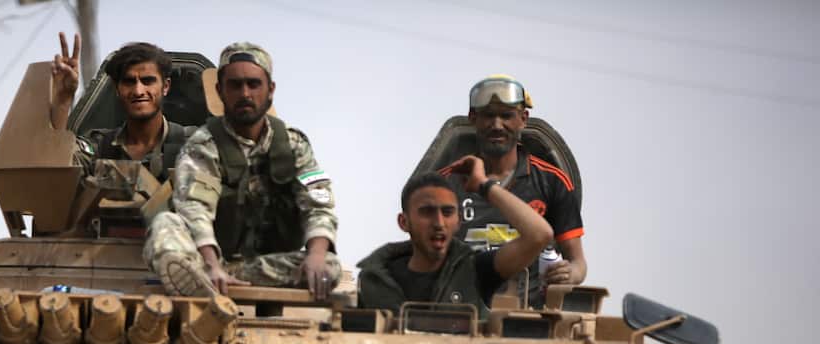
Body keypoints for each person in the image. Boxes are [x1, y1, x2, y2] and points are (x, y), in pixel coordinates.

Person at [144, 42, 339, 299]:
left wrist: (316, 255)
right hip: (208, 259)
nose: (245, 93)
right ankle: (202, 279)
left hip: (262, 266)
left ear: (270, 90)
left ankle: (215, 284)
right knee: (165, 223)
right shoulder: (203, 145)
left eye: (253, 84)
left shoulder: (293, 145)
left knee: (330, 265)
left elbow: (318, 204)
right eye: (235, 85)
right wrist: (211, 264)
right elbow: (195, 209)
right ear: (220, 91)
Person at [441, 75, 586, 300]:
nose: (497, 125)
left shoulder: (552, 182)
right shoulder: (446, 183)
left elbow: (578, 262)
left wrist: (570, 273)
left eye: (506, 116)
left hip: (531, 311)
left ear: (523, 119)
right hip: (461, 306)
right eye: (488, 115)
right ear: (473, 118)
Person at [358, 163, 552, 316]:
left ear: (458, 221)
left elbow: (539, 235)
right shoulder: (376, 281)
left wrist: (484, 185)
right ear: (404, 222)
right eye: (427, 212)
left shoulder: (474, 270)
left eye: (447, 212)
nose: (439, 223)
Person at [49, 34, 191, 183]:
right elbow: (56, 168)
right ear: (117, 89)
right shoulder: (100, 147)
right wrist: (63, 101)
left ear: (165, 86)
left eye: (147, 81)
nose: (138, 91)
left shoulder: (194, 144)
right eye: (129, 82)